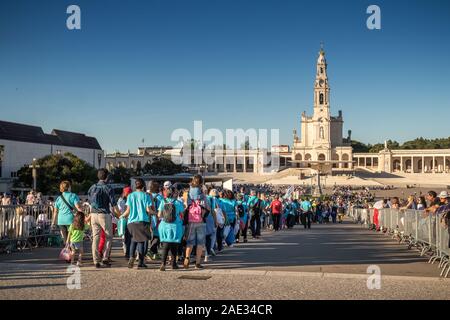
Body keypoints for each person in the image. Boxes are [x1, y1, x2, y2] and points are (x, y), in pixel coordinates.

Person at [87, 169, 119, 268]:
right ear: (107, 177)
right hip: (104, 214)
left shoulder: (92, 187)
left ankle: (95, 260)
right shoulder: (108, 188)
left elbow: (89, 202)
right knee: (108, 237)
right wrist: (119, 215)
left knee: (96, 237)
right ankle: (105, 257)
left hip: (93, 214)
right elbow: (113, 205)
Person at [121, 178, 155, 269]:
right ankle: (141, 262)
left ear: (135, 186)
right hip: (142, 221)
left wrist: (121, 216)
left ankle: (131, 257)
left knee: (133, 241)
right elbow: (148, 210)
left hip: (131, 222)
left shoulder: (130, 196)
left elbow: (127, 211)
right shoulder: (146, 196)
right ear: (143, 186)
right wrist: (156, 213)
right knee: (141, 242)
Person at [183, 175, 210, 269]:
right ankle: (197, 263)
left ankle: (187, 257)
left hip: (191, 220)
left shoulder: (188, 193)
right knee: (200, 243)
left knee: (190, 242)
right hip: (201, 220)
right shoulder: (203, 195)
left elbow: (186, 206)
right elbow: (208, 208)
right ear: (201, 183)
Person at [157, 186, 185, 271]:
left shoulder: (163, 202)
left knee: (165, 245)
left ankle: (163, 264)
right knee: (174, 246)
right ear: (174, 194)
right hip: (175, 226)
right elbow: (182, 215)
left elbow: (159, 215)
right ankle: (173, 264)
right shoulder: (178, 203)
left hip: (164, 226)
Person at [149, 181, 164, 260]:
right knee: (157, 236)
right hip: (158, 218)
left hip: (150, 218)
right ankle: (152, 251)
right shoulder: (160, 197)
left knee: (152, 236)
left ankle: (155, 253)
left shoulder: (149, 196)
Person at [117, 186, 132, 259]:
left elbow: (119, 210)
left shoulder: (121, 200)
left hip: (124, 219)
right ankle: (129, 253)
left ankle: (127, 253)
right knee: (128, 238)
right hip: (129, 220)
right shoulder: (131, 199)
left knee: (127, 238)